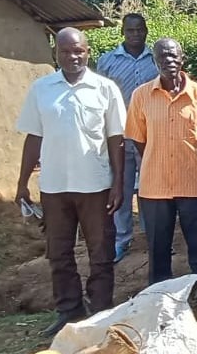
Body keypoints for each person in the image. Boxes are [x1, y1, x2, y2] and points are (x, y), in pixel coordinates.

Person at [16, 28, 127, 337]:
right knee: (59, 252)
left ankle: (101, 310)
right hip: (54, 187)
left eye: (78, 51)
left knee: (101, 252)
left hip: (95, 185)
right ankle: (69, 310)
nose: (73, 56)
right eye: (66, 51)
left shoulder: (104, 88)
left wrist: (118, 184)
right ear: (56, 53)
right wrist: (22, 183)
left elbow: (116, 139)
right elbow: (33, 137)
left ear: (87, 51)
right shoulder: (42, 89)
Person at [124, 38, 197, 286]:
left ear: (182, 59)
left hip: (193, 182)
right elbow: (139, 140)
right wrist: (157, 154)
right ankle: (159, 301)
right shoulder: (141, 96)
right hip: (155, 185)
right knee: (158, 250)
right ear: (154, 61)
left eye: (172, 56)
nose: (167, 61)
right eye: (162, 57)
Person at [95, 12, 157, 262]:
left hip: (151, 134)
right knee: (120, 185)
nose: (135, 34)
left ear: (146, 31)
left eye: (140, 30)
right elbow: (101, 100)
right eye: (130, 30)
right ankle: (122, 239)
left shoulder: (156, 60)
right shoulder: (108, 61)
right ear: (123, 32)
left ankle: (154, 238)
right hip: (119, 135)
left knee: (151, 188)